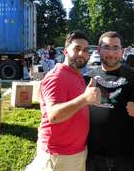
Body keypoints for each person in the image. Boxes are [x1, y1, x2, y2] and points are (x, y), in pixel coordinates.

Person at [85, 31, 134, 171]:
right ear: (98, 49)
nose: (111, 53)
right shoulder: (87, 78)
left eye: (116, 48)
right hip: (93, 156)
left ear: (122, 51)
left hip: (125, 156)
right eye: (106, 47)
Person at [26, 30, 101, 171]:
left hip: (75, 152)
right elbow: (54, 115)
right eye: (77, 49)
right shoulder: (56, 77)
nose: (81, 54)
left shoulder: (77, 75)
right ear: (66, 51)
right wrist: (84, 99)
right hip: (58, 156)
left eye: (85, 50)